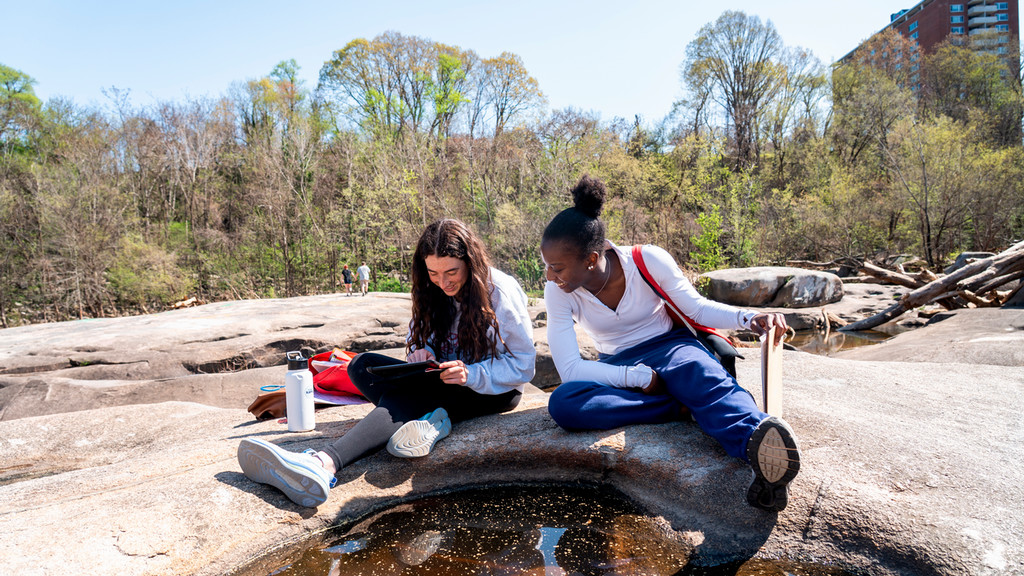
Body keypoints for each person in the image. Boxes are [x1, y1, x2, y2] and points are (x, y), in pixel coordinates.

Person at [540, 175, 800, 512]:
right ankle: (682, 406)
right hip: (617, 364)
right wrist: (637, 377)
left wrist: (749, 319)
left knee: (698, 371)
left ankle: (757, 441)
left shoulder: (646, 260)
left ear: (590, 259)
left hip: (670, 347)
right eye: (548, 267)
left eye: (556, 267)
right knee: (564, 403)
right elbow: (570, 370)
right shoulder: (558, 291)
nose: (549, 276)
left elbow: (696, 309)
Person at [237, 219, 536, 508]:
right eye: (433, 272)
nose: (443, 282)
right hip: (441, 379)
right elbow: (421, 339)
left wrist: (471, 373)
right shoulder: (431, 289)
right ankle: (429, 421)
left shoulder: (499, 291)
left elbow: (524, 365)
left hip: (493, 389)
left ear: (470, 262)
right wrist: (422, 352)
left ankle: (323, 463)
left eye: (452, 272)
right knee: (361, 365)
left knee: (408, 398)